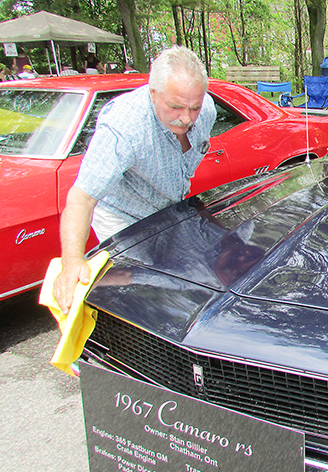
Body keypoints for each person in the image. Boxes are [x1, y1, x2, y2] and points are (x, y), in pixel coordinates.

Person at [52, 45, 216, 314]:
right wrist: (72, 262)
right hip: (123, 214)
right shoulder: (124, 128)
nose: (186, 118)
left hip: (167, 209)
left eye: (193, 108)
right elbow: (81, 198)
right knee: (145, 292)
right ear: (153, 94)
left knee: (186, 277)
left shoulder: (205, 110)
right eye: (175, 107)